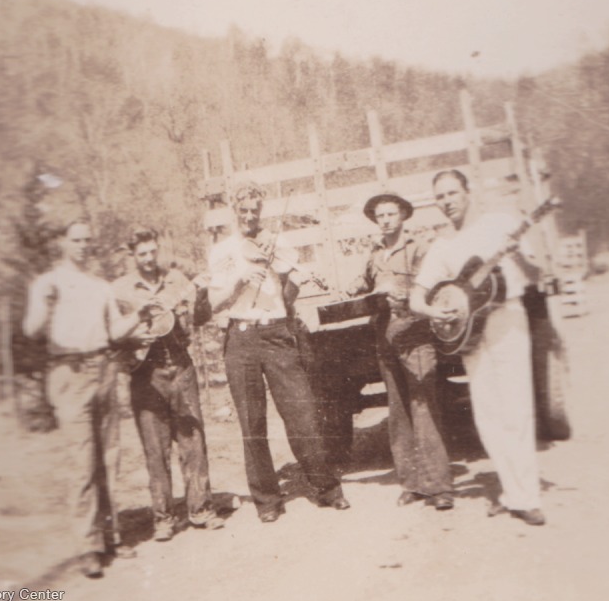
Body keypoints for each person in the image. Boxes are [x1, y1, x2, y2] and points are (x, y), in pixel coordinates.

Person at [409, 170, 547, 526]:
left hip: (507, 321)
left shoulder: (501, 224)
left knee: (517, 408)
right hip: (470, 331)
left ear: (468, 192)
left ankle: (525, 496)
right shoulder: (441, 246)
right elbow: (415, 298)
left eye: (453, 193)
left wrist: (516, 257)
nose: (448, 201)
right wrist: (434, 310)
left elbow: (536, 275)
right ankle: (509, 489)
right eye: (440, 196)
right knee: (487, 414)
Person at [208, 181, 349, 523]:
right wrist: (242, 279)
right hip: (240, 337)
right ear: (233, 212)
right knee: (252, 423)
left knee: (301, 413)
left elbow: (290, 292)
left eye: (255, 211)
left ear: (262, 211)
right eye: (243, 211)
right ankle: (267, 501)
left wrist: (283, 272)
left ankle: (327, 488)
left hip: (276, 333)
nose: (249, 217)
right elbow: (214, 302)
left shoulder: (278, 243)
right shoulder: (223, 251)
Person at [22, 220, 156, 578]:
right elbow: (31, 329)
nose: (82, 246)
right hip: (69, 371)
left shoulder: (100, 287)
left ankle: (112, 535)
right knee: (83, 460)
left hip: (104, 369)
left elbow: (113, 331)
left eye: (87, 240)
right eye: (76, 240)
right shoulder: (48, 284)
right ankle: (88, 545)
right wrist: (47, 308)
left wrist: (139, 315)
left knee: (110, 457)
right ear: (63, 243)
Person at [113, 228, 225, 542]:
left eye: (152, 252)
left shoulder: (177, 281)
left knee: (193, 441)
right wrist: (135, 337)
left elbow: (201, 318)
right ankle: (163, 518)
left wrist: (201, 292)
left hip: (181, 366)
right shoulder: (119, 290)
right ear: (132, 256)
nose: (149, 259)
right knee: (155, 448)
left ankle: (201, 509)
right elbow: (112, 333)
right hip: (145, 374)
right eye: (142, 254)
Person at [345, 193, 454, 510]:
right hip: (385, 336)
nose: (386, 220)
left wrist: (402, 293)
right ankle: (411, 484)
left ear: (404, 216)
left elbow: (433, 289)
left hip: (415, 335)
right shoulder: (375, 252)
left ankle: (440, 487)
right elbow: (364, 282)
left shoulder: (419, 249)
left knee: (424, 408)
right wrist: (352, 288)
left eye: (392, 214)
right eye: (380, 215)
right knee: (398, 411)